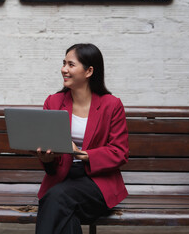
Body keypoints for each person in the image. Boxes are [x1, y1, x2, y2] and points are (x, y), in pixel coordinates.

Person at [34, 43, 129, 234]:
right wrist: (47, 158)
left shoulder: (112, 105)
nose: (64, 69)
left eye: (71, 64)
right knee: (65, 213)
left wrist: (82, 154)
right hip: (63, 180)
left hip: (98, 183)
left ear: (89, 71)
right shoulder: (53, 102)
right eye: (64, 63)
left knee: (56, 199)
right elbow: (49, 152)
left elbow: (119, 152)